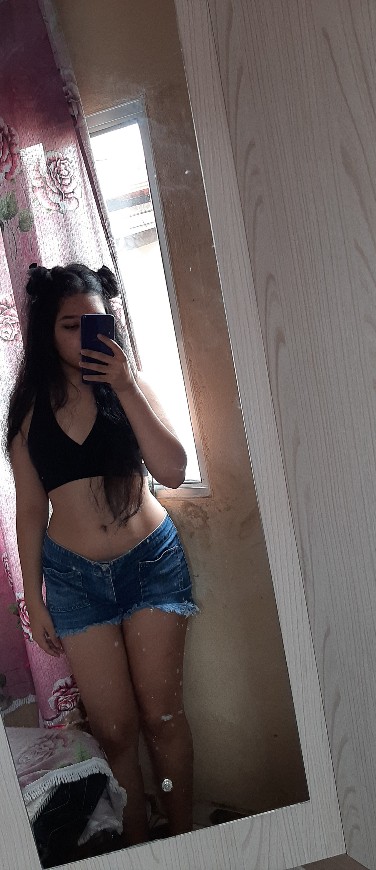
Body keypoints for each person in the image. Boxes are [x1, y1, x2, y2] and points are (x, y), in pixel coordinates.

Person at [6, 262, 198, 846]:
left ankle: (187, 839)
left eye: (96, 322)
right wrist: (34, 597)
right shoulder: (28, 409)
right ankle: (138, 846)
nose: (86, 336)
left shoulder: (130, 386)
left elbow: (172, 470)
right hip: (74, 582)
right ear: (47, 331)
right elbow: (29, 509)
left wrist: (126, 385)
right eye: (70, 326)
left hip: (151, 565)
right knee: (114, 731)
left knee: (162, 716)